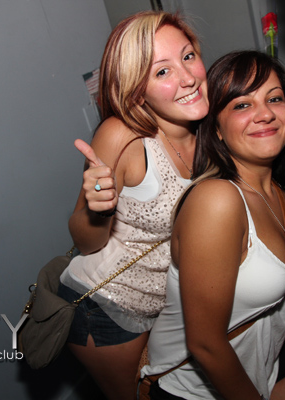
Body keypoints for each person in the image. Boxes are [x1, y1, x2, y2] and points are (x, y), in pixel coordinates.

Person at [142, 51, 285, 400]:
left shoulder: (283, 194)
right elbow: (205, 344)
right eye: (242, 105)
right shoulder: (217, 200)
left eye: (274, 99)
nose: (265, 113)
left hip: (263, 379)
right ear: (217, 129)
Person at [57, 11, 209, 400]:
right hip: (105, 306)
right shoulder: (122, 137)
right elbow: (84, 240)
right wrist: (98, 209)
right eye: (162, 71)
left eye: (188, 56)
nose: (188, 78)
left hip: (165, 304)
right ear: (137, 90)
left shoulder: (209, 128)